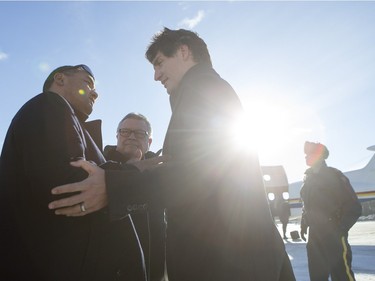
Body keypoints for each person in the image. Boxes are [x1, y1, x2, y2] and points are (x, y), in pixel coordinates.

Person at [49, 28, 296, 281]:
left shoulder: (204, 89)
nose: (156, 76)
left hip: (228, 264)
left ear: (184, 51)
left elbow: (196, 175)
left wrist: (113, 186)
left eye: (159, 63)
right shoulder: (199, 92)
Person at [0, 65, 146, 281]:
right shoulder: (50, 104)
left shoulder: (70, 121)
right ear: (60, 79)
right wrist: (131, 171)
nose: (95, 93)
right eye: (87, 82)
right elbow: (68, 188)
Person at [104, 112, 165, 281]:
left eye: (139, 133)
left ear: (149, 141)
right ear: (117, 136)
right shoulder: (97, 168)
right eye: (125, 131)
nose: (131, 136)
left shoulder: (163, 176)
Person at [300, 141, 362, 281]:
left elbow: (354, 206)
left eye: (309, 154)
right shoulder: (307, 179)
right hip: (314, 237)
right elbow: (308, 206)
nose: (306, 157)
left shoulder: (334, 176)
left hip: (334, 236)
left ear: (320, 156)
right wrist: (304, 224)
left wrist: (340, 229)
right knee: (317, 276)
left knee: (341, 275)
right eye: (306, 154)